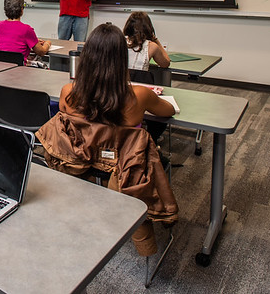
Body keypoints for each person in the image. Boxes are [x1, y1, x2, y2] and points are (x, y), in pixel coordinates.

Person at [53, 23, 177, 256]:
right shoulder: (139, 96)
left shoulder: (68, 92)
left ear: (87, 56)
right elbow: (168, 111)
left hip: (84, 161)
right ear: (122, 57)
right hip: (125, 169)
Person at [0, 0, 51, 64]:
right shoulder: (26, 29)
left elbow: (13, 41)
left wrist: (34, 41)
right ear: (22, 9)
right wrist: (47, 43)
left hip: (0, 68)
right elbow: (41, 52)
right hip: (18, 70)